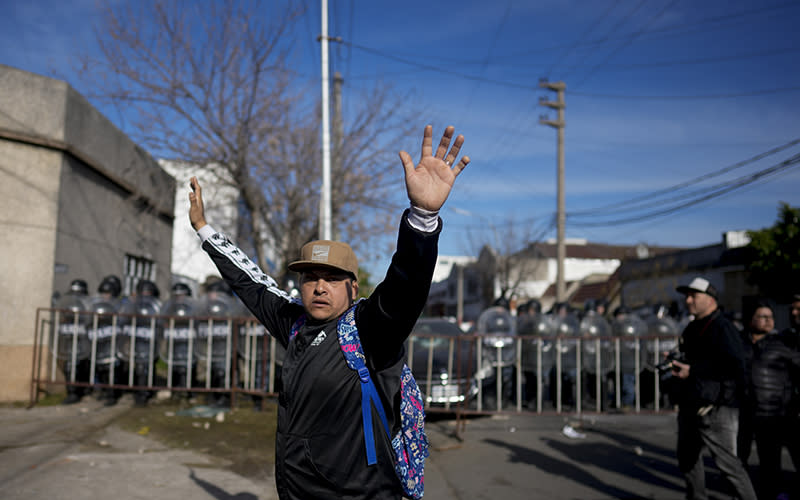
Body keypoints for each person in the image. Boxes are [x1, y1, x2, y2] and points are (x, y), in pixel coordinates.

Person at [189, 125, 469, 499]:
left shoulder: (369, 331)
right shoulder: (294, 324)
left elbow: (405, 288)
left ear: (353, 288)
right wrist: (205, 231)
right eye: (310, 277)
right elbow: (252, 285)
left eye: (332, 279)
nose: (319, 286)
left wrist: (422, 219)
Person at [671, 277, 756, 500]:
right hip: (692, 401)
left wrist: (694, 369)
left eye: (693, 296)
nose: (688, 301)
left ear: (710, 299)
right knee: (687, 459)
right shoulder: (692, 327)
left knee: (728, 466)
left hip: (716, 406)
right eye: (687, 296)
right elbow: (694, 359)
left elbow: (733, 364)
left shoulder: (723, 327)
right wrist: (676, 360)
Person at [737, 299, 800, 500]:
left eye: (770, 317)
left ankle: (775, 493)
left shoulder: (782, 343)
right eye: (762, 317)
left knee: (771, 459)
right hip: (744, 412)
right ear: (750, 320)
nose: (768, 321)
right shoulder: (739, 344)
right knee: (740, 459)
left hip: (774, 413)